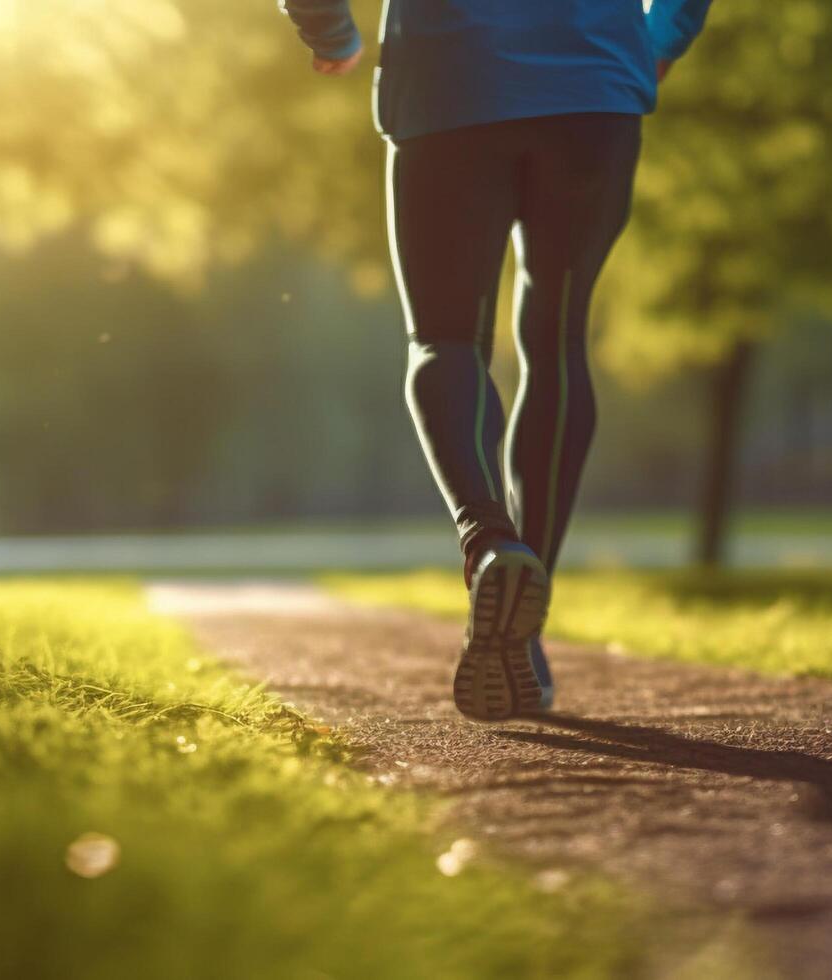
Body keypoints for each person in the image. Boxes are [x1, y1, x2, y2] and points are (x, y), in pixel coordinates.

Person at [279, 0, 714, 721]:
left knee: (444, 339)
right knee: (558, 341)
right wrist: (662, 36)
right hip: (594, 85)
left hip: (450, 79)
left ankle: (489, 545)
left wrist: (330, 31)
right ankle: (526, 621)